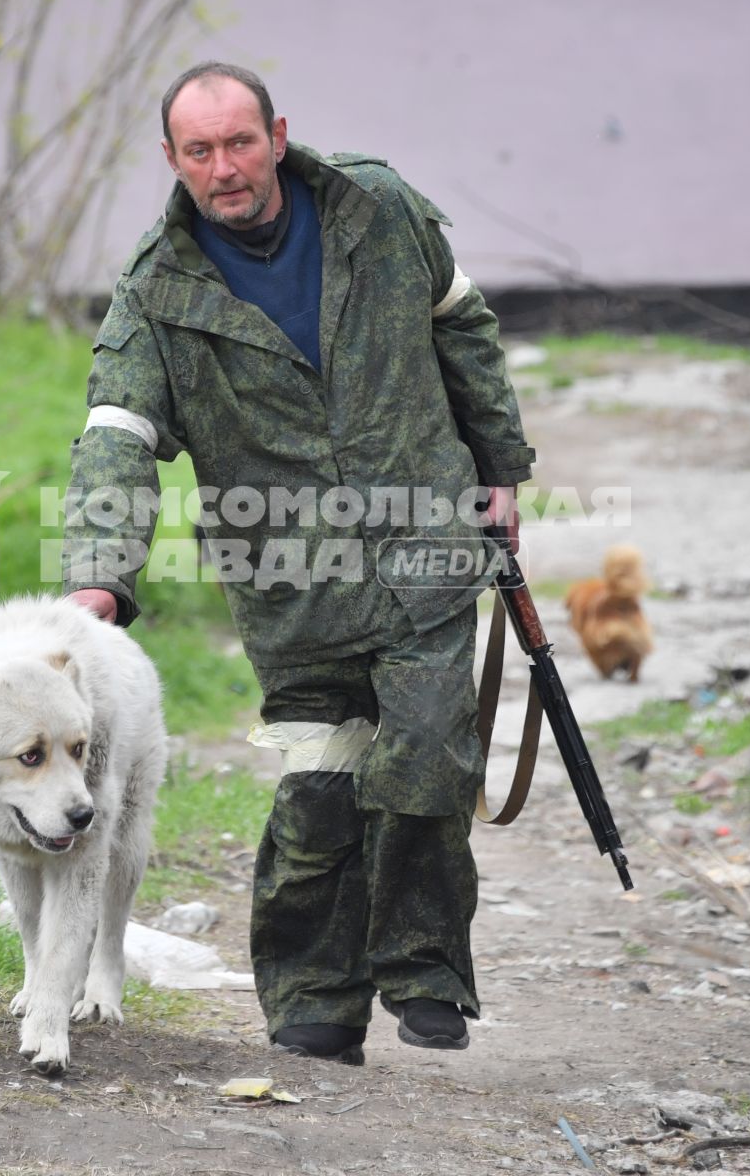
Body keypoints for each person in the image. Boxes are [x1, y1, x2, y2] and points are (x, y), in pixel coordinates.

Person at [59, 62, 534, 1063]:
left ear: (278, 133)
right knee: (319, 789)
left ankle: (422, 966)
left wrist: (501, 468)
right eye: (201, 150)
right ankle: (316, 992)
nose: (225, 168)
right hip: (292, 587)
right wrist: (98, 573)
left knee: (427, 759)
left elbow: (464, 329)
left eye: (240, 142)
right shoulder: (157, 294)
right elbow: (118, 432)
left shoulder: (379, 209)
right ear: (173, 159)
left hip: (425, 548)